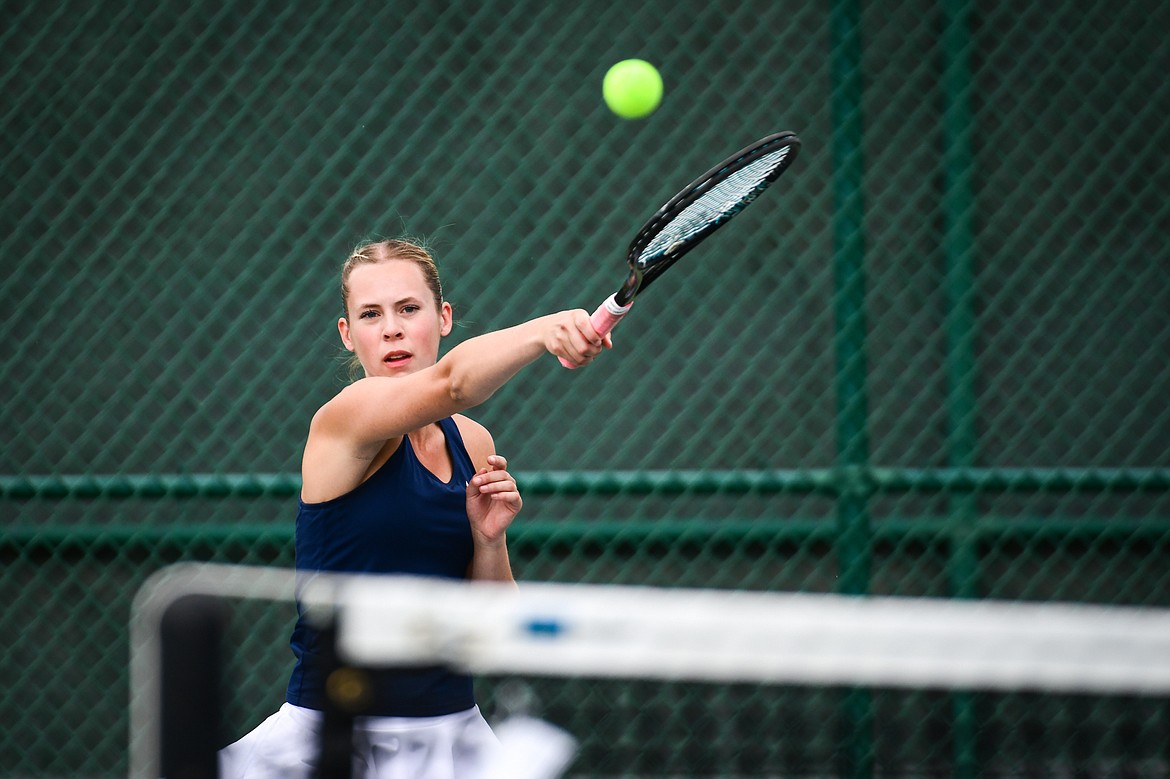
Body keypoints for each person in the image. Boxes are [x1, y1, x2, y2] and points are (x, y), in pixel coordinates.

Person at [218, 238, 609, 778]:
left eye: (409, 309)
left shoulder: (471, 443)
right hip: (335, 736)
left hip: (451, 737)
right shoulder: (345, 420)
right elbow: (452, 383)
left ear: (443, 318)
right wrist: (543, 331)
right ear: (347, 334)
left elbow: (496, 628)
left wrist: (488, 541)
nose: (392, 329)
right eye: (370, 314)